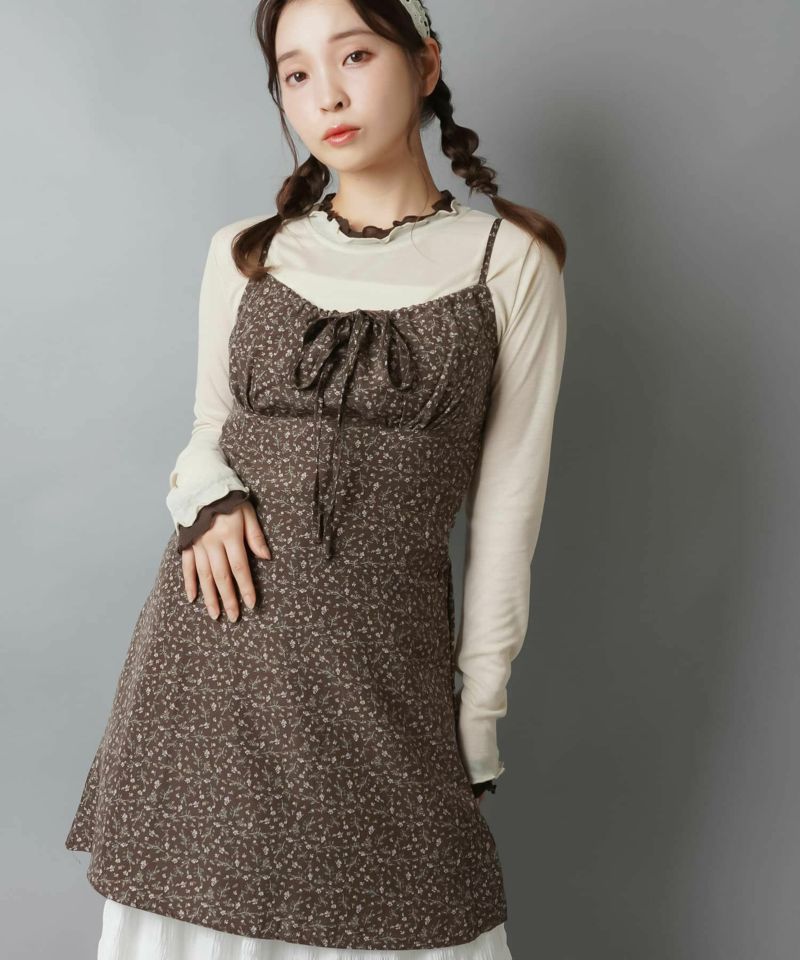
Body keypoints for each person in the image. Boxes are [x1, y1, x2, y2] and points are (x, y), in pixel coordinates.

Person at [65, 0, 568, 957]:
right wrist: (207, 499)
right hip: (212, 663)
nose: (326, 95)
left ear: (425, 64)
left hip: (383, 676)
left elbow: (510, 513)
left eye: (355, 56)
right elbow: (207, 431)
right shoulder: (247, 251)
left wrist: (478, 716)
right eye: (295, 73)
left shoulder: (510, 262)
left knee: (415, 915)